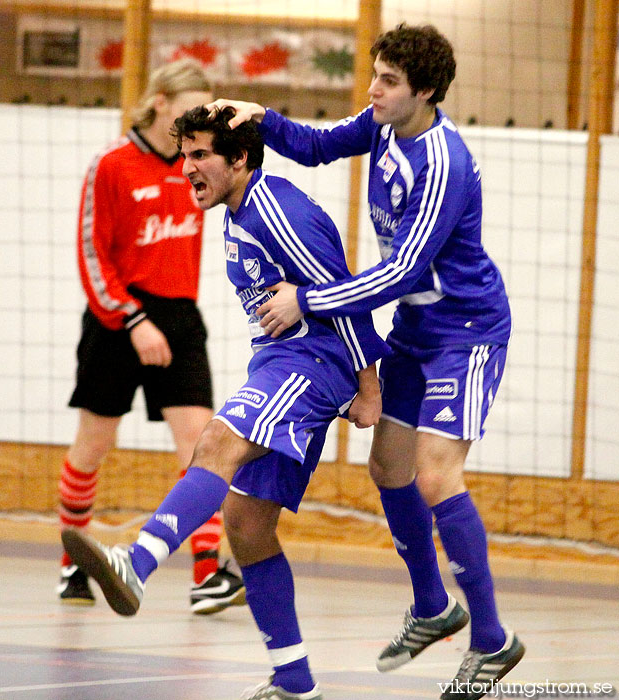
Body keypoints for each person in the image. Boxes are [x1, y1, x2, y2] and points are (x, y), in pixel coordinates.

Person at [208, 21, 525, 700]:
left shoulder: (443, 162)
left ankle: (492, 640)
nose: (373, 90)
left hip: (465, 332)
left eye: (387, 81)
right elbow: (320, 146)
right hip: (416, 330)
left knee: (437, 478)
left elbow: (402, 270)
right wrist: (263, 119)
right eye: (374, 75)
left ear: (427, 91)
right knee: (388, 468)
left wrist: (308, 301)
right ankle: (433, 607)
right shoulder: (385, 124)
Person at [61, 105, 388, 700]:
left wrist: (368, 385)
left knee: (214, 440)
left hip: (312, 363)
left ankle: (136, 564)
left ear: (240, 158)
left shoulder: (278, 210)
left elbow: (345, 292)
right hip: (283, 364)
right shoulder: (234, 211)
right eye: (183, 155)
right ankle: (293, 680)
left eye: (200, 155)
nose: (187, 168)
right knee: (246, 524)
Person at [57, 60, 246, 616]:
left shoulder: (198, 166)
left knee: (203, 443)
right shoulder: (112, 165)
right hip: (119, 316)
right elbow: (92, 255)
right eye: (192, 104)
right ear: (160, 101)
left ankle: (208, 572)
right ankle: (73, 563)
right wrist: (132, 320)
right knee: (94, 444)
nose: (200, 116)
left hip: (180, 316)